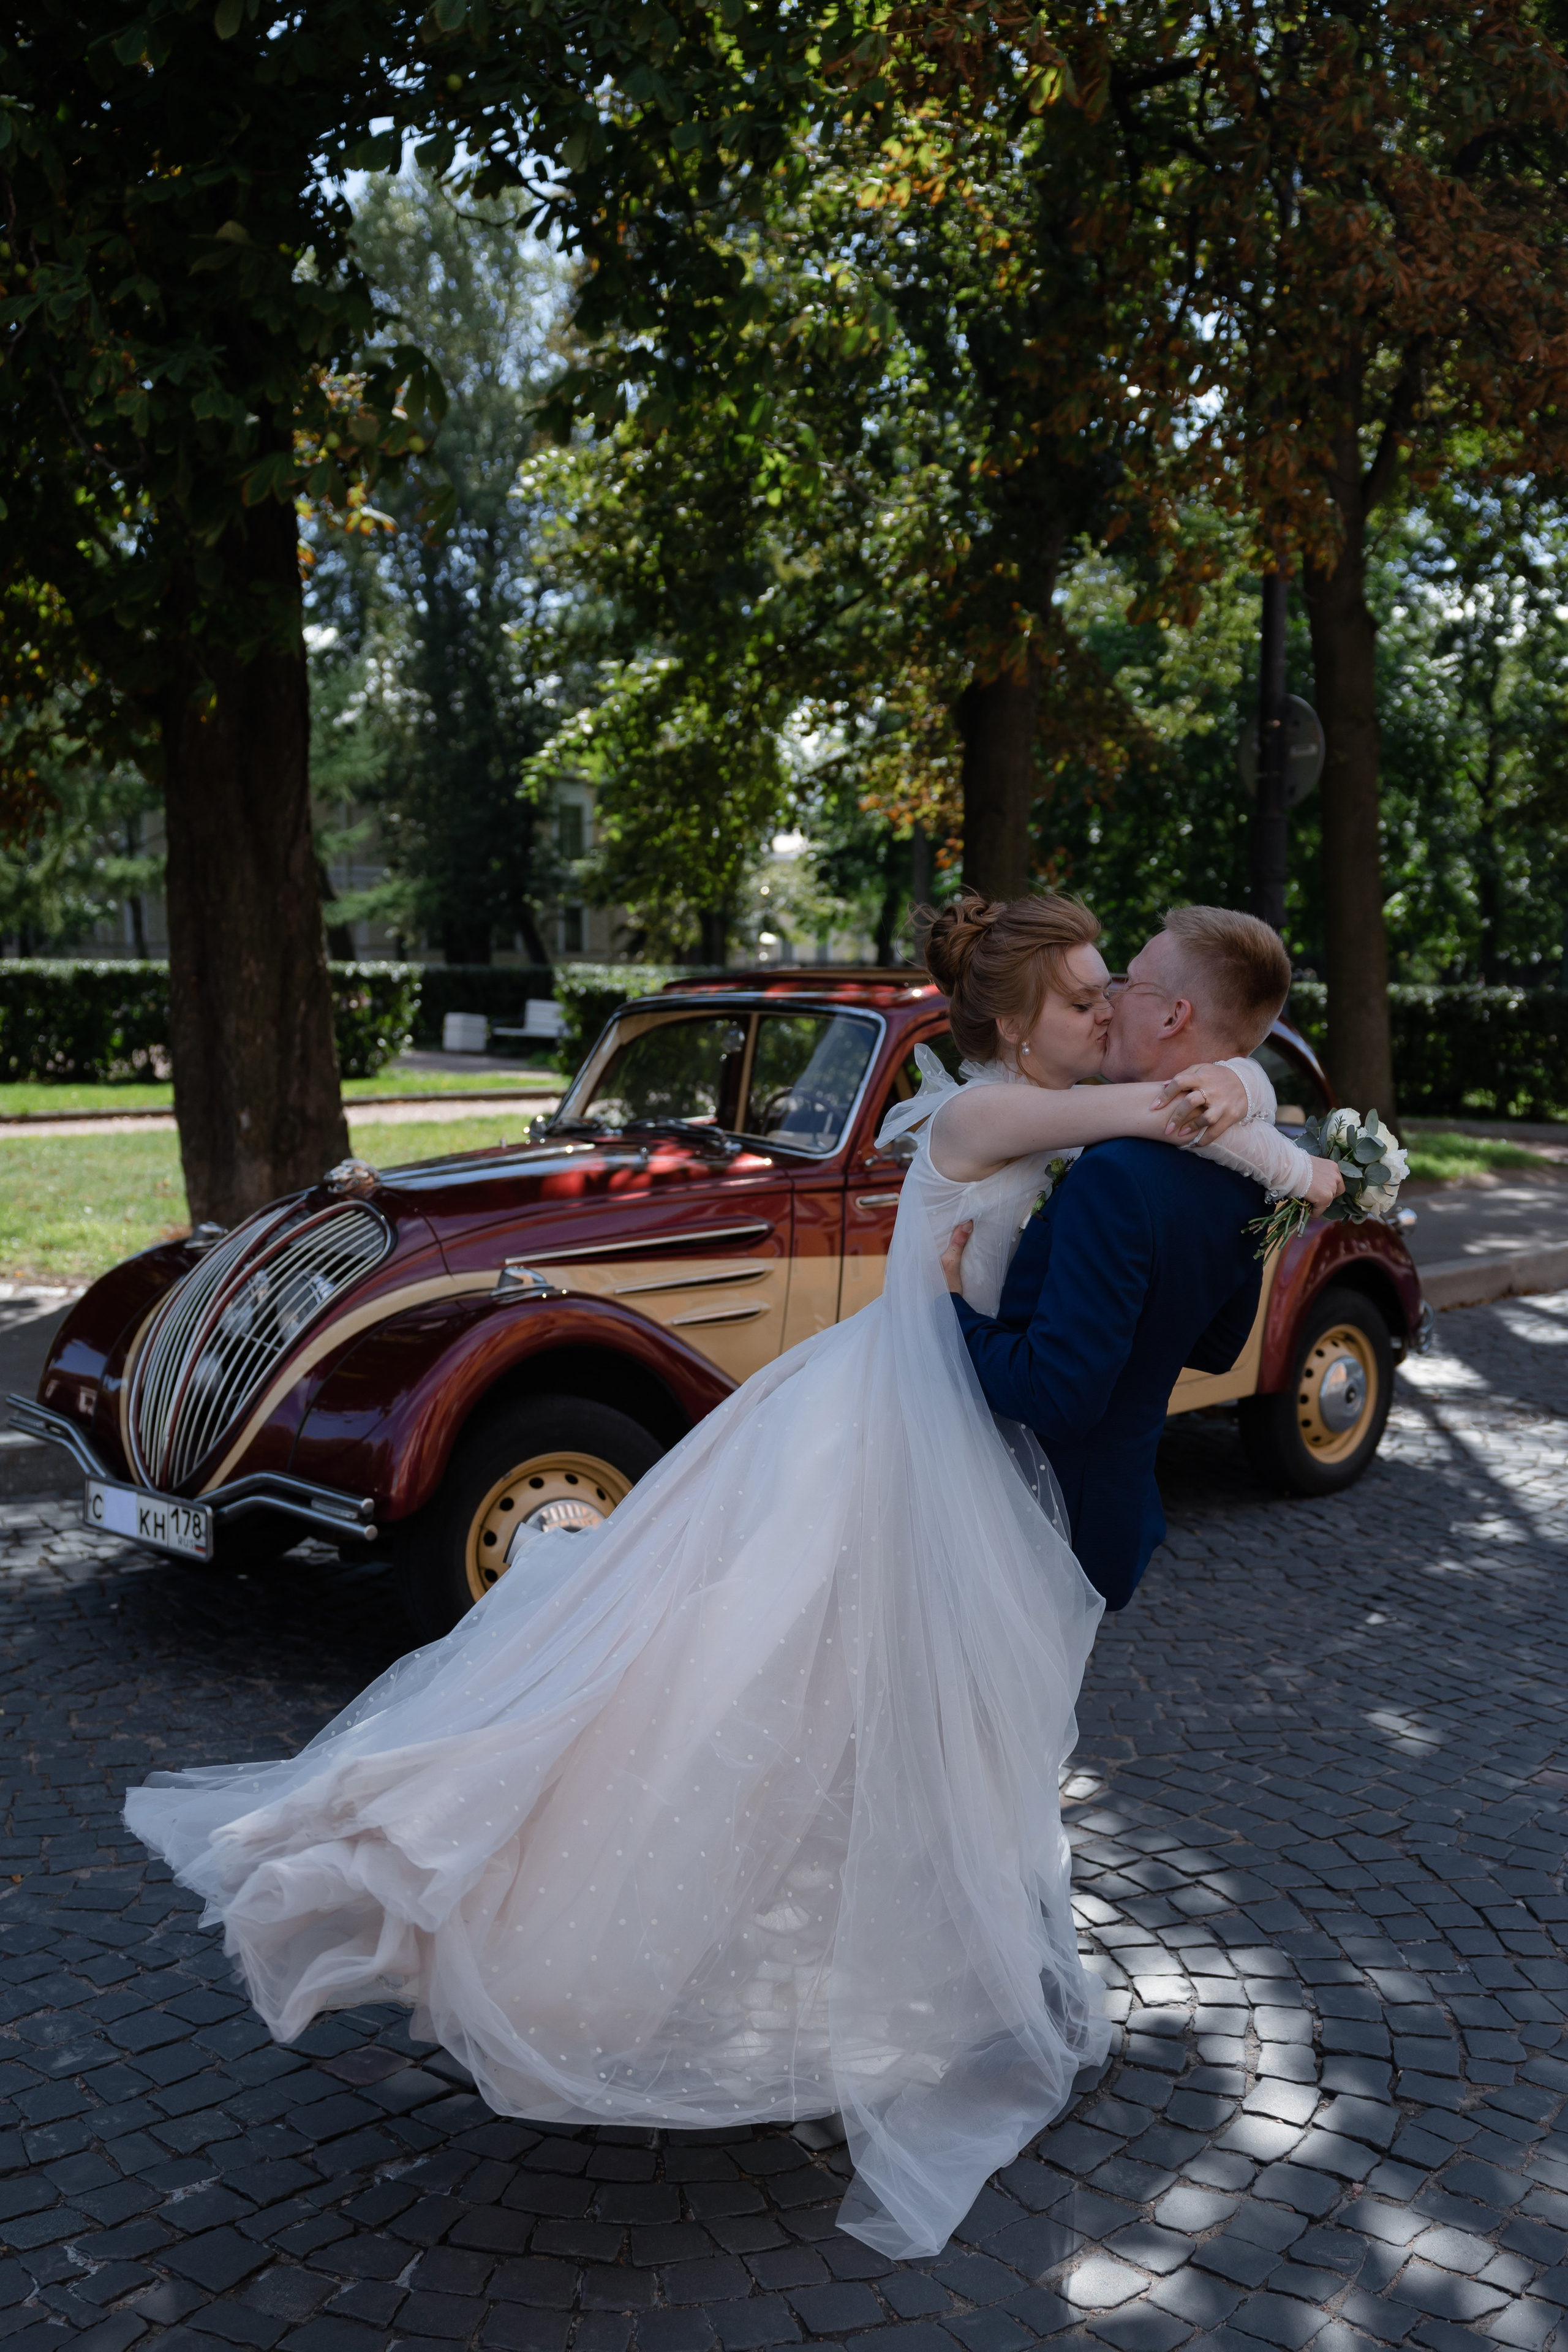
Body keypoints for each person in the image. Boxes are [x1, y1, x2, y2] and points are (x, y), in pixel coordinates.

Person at [123, 893, 1333, 2263]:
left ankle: (901, 1972)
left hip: (964, 1456)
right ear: (1010, 1024)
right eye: (1080, 996)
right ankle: (525, 1909)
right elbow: (1163, 1132)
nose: (1105, 1010)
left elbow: (1161, 1158)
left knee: (855, 1723)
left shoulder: (1086, 1127)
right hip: (893, 1439)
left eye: (1116, 991)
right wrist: (1254, 1110)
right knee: (724, 1687)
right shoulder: (992, 1116)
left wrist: (1243, 1099)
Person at [941, 902, 1334, 1612]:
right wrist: (1251, 1088)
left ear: (1174, 1015)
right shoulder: (1244, 1175)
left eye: (1127, 982)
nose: (1111, 1001)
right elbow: (1218, 1346)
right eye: (1092, 994)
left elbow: (1058, 1394)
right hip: (1110, 1509)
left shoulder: (1114, 1176)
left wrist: (950, 1318)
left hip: (1035, 1510)